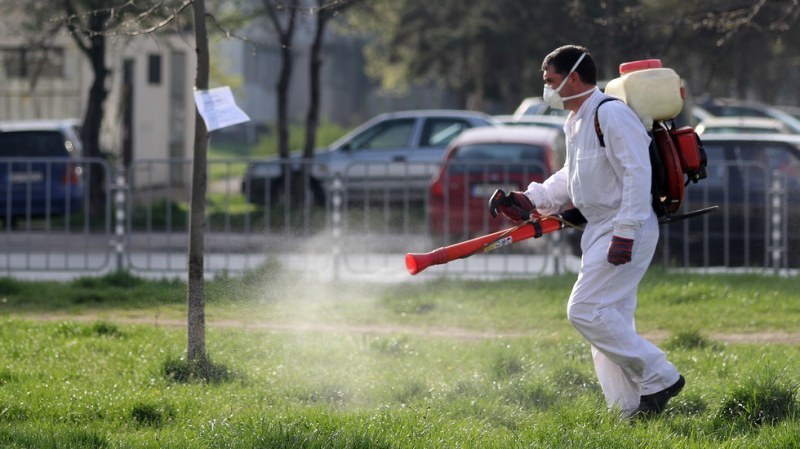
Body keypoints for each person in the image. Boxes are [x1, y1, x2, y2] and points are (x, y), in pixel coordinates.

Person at [494, 45, 684, 419]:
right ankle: (630, 411)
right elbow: (572, 176)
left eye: (550, 81)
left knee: (585, 311)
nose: (547, 89)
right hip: (601, 228)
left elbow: (636, 173)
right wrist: (532, 199)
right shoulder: (577, 120)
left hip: (625, 226)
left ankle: (661, 378)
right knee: (608, 325)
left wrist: (625, 233)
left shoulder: (611, 114)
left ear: (573, 78)